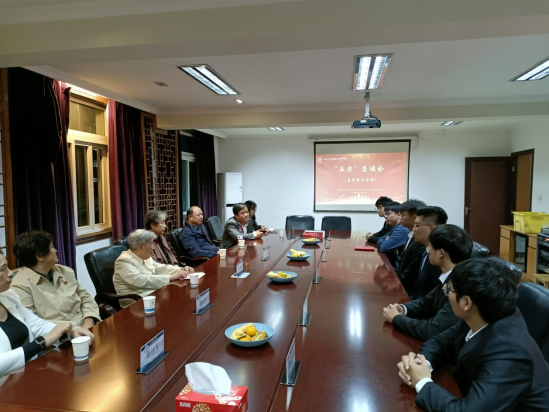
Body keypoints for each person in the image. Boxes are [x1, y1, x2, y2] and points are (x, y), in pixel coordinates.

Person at [397, 258, 549, 411]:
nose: (448, 295)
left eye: (449, 290)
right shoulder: (482, 311)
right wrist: (420, 364)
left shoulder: (509, 352)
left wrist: (422, 382)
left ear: (466, 303)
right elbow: (440, 342)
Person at [0, 251, 94, 376]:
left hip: (31, 372)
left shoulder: (8, 296)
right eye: (3, 269)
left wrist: (71, 330)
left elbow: (36, 324)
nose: (10, 273)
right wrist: (43, 342)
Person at [383, 224, 472, 341]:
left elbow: (432, 330)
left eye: (429, 246)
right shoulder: (450, 275)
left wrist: (396, 318)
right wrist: (402, 308)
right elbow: (427, 302)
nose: (427, 250)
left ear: (440, 253)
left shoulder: (459, 286)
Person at [11, 231, 100, 329]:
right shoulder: (20, 286)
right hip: (59, 335)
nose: (55, 250)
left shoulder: (65, 271)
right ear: (39, 256)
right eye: (52, 247)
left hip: (86, 327)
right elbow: (32, 322)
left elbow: (86, 298)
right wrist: (73, 329)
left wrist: (88, 321)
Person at [113, 229, 191, 308]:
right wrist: (170, 277)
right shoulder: (123, 261)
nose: (153, 247)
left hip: (154, 295)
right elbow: (140, 280)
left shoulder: (143, 255)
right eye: (151, 244)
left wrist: (180, 270)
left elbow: (158, 267)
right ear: (141, 246)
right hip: (136, 303)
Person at [410, 206, 448, 300]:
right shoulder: (425, 249)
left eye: (417, 226)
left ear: (432, 229)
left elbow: (434, 298)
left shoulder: (440, 257)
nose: (413, 229)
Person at [396, 199, 427, 294]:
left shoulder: (419, 241)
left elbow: (411, 271)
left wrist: (397, 284)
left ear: (414, 217)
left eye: (403, 215)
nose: (400, 218)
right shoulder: (410, 235)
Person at [377, 202, 410, 270]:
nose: (386, 217)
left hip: (398, 269)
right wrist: (387, 242)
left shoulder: (401, 229)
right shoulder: (396, 227)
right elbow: (380, 239)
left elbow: (383, 247)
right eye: (385, 214)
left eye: (388, 214)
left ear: (398, 214)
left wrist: (387, 241)